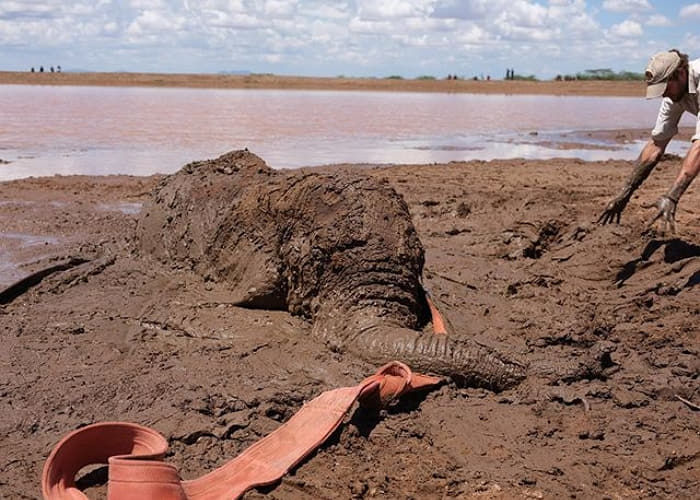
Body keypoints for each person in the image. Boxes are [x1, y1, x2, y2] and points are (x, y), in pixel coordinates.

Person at [599, 49, 699, 233]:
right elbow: (656, 145)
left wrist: (672, 197)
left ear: (680, 73)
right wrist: (625, 193)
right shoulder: (673, 95)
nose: (663, 95)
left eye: (665, 88)